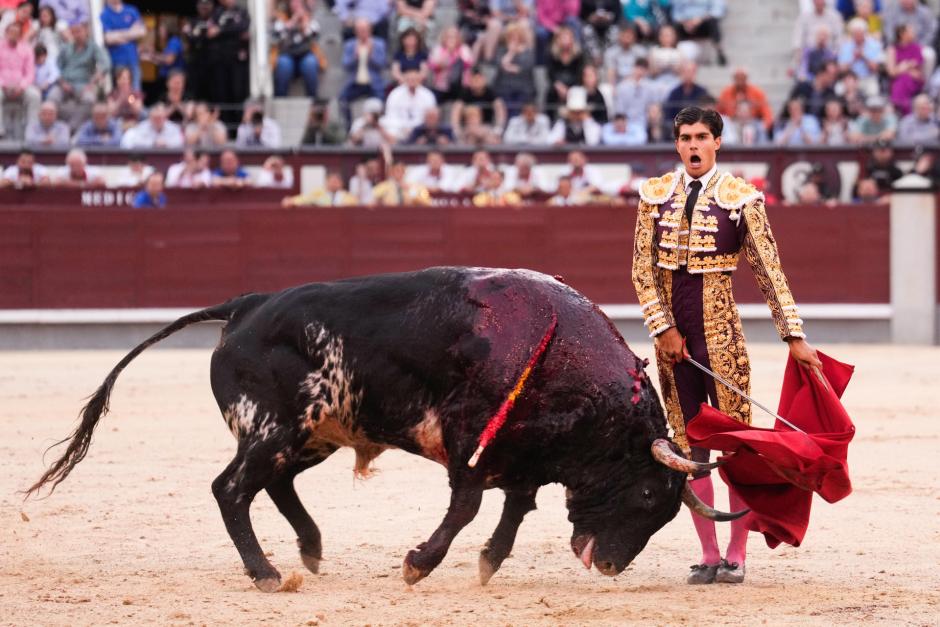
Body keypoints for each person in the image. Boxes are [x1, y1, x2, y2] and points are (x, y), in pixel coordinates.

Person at [631, 106, 821, 586]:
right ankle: (708, 552)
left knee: (734, 445)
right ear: (676, 144)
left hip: (722, 337)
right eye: (684, 138)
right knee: (690, 444)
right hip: (673, 342)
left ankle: (737, 554)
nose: (692, 146)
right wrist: (663, 329)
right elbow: (642, 271)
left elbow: (769, 272)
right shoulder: (655, 196)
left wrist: (793, 336)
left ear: (717, 142)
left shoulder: (741, 199)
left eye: (701, 137)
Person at [48, 20, 110, 131]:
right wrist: (62, 82)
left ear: (86, 31)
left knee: (89, 99)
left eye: (79, 31)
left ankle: (70, 128)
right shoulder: (66, 48)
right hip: (64, 83)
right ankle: (52, 128)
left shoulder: (93, 47)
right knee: (51, 97)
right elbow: (55, 68)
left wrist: (94, 81)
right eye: (74, 32)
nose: (77, 35)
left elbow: (105, 63)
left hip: (83, 84)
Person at [208, 0, 251, 129]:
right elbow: (210, 31)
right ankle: (226, 128)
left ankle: (239, 128)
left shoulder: (241, 11)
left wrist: (221, 30)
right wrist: (233, 31)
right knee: (221, 94)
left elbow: (243, 26)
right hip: (220, 60)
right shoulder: (216, 13)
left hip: (237, 60)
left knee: (238, 93)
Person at [339, 17, 387, 124]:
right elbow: (345, 65)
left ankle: (380, 126)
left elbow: (382, 65)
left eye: (364, 30)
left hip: (373, 83)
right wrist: (355, 57)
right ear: (355, 32)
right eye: (359, 30)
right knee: (342, 100)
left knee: (382, 100)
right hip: (355, 82)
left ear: (370, 30)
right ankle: (348, 128)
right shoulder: (350, 45)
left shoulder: (379, 44)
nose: (362, 33)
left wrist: (371, 55)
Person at [0, 21, 41, 139]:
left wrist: (21, 86)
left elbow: (30, 73)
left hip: (20, 86)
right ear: (6, 33)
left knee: (35, 95)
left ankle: (32, 131)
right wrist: (3, 85)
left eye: (17, 32)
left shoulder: (27, 49)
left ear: (20, 35)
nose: (14, 34)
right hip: (2, 86)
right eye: (11, 32)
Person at [271, 1, 321, 97]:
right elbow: (277, 36)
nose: (296, 5)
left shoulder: (309, 19)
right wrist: (292, 22)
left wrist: (305, 24)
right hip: (287, 54)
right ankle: (280, 98)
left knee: (311, 63)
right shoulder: (282, 18)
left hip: (305, 54)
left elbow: (315, 36)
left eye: (298, 3)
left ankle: (312, 99)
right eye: (293, 3)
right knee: (283, 64)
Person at [100, 0, 145, 90]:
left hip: (133, 60)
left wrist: (117, 35)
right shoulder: (105, 14)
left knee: (136, 93)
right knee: (119, 93)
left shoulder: (131, 10)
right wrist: (130, 33)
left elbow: (142, 31)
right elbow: (108, 38)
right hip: (117, 62)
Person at [384, 67, 438, 141]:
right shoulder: (395, 94)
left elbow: (430, 117)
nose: (412, 82)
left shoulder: (427, 95)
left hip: (420, 129)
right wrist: (403, 127)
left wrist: (415, 128)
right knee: (385, 124)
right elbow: (391, 115)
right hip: (399, 128)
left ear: (419, 80)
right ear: (404, 79)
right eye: (409, 79)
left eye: (414, 79)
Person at [716, 67, 774, 132]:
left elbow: (766, 112)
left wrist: (764, 127)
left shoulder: (757, 93)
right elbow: (718, 112)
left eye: (742, 78)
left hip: (752, 124)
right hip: (731, 124)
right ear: (734, 78)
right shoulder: (725, 93)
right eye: (737, 78)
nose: (740, 81)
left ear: (746, 78)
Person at [670, 0, 727, 65]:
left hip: (704, 21)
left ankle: (719, 51)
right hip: (685, 23)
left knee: (713, 22)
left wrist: (700, 19)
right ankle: (674, 54)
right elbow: (676, 13)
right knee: (674, 27)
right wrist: (685, 23)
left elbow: (717, 10)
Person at [885, 23, 923, 116]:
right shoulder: (892, 49)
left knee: (904, 80)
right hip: (896, 81)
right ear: (902, 34)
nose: (914, 34)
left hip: (914, 82)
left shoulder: (916, 48)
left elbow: (918, 74)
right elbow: (891, 72)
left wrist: (902, 68)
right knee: (901, 81)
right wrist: (906, 67)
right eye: (911, 32)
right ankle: (905, 111)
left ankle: (896, 107)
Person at [281, 169, 357, 207]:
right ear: (326, 182)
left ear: (341, 183)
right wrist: (292, 201)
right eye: (331, 181)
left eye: (336, 182)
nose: (333, 184)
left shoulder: (347, 196)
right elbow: (305, 198)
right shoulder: (319, 193)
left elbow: (353, 203)